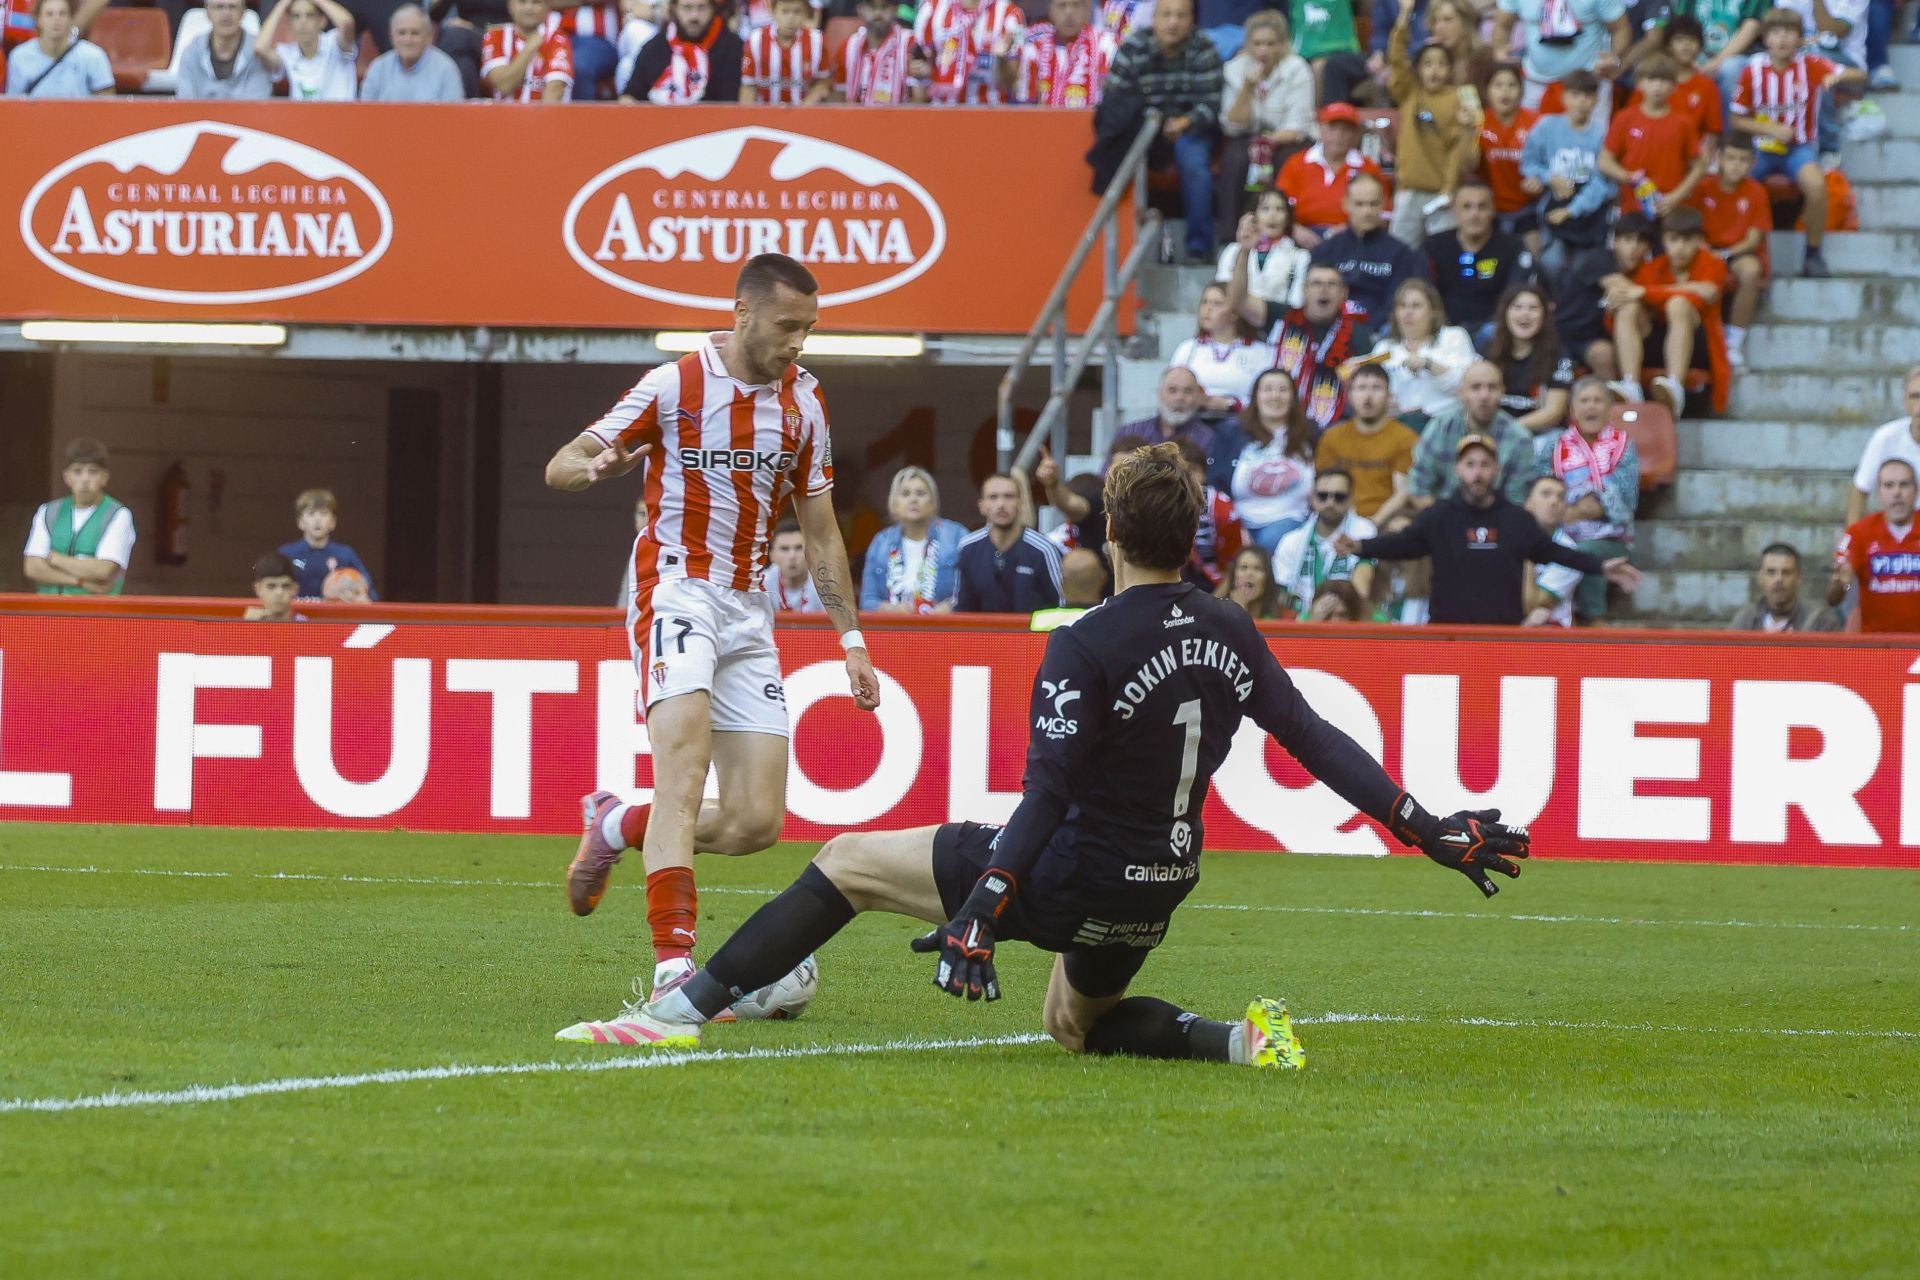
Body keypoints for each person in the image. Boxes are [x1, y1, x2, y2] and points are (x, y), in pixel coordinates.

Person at [557, 442, 1533, 1055]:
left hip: (1066, 871)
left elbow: (1049, 792)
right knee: (1076, 1022)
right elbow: (1315, 739)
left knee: (845, 860)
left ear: (1107, 529)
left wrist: (987, 902)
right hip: (1159, 882)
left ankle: (677, 1010)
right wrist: (1425, 826)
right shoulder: (1231, 625)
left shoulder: (1086, 640)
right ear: (1191, 535)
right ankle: (1238, 1040)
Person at [545, 253, 881, 1015]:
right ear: (743, 314)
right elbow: (560, 466)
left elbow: (822, 535)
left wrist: (851, 641)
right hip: (675, 591)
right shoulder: (674, 385)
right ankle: (674, 969)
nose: (800, 342)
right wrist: (595, 468)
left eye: (811, 328)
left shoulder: (805, 406)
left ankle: (615, 822)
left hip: (748, 609)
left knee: (758, 821)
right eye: (789, 326)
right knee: (684, 773)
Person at [1342, 434, 1640, 623]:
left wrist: (1600, 566)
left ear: (1496, 470)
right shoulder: (1439, 517)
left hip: (1503, 636)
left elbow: (1556, 552)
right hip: (1449, 635)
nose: (1477, 473)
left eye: (1485, 464)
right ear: (1458, 469)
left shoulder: (1515, 519)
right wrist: (1362, 547)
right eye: (1470, 464)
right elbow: (1402, 543)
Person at [1731, 8, 1864, 279]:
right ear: (1766, 38)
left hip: (1799, 149)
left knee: (1816, 186)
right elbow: (1736, 120)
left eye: (1790, 33)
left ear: (1800, 39)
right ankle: (1734, 247)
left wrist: (1838, 76)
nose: (1782, 39)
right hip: (1760, 149)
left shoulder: (1811, 65)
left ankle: (1813, 254)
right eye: (1776, 32)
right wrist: (1768, 128)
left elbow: (1859, 74)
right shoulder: (1752, 70)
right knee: (1734, 180)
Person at [1099, 0, 1223, 264]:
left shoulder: (1204, 48)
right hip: (1142, 129)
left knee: (1194, 163)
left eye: (1181, 15)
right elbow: (1115, 100)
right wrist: (1146, 123)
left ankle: (1199, 248)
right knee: (1117, 157)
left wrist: (1184, 122)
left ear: (1192, 20)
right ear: (1154, 18)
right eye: (1166, 15)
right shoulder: (1133, 48)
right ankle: (1124, 247)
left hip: (1192, 130)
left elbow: (1212, 105)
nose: (1173, 22)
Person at [1608, 204, 1730, 416]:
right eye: (1674, 239)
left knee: (1678, 304)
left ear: (1699, 241)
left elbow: (1707, 294)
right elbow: (1632, 297)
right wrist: (1626, 298)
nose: (1680, 247)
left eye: (1688, 240)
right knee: (1629, 305)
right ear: (1663, 241)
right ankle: (1630, 385)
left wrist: (1646, 292)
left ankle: (1675, 386)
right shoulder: (1652, 268)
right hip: (1656, 343)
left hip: (1699, 347)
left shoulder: (1714, 264)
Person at [1536, 376, 1639, 620]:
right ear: (1572, 409)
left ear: (1610, 409)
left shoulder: (1623, 445)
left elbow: (1626, 502)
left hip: (1612, 538)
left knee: (1585, 551)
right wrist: (1589, 500)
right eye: (1584, 401)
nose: (1591, 406)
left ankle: (1595, 620)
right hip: (1558, 532)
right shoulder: (1554, 444)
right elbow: (1539, 490)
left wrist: (1574, 507)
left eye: (1597, 400)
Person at [1233, 264, 1376, 433]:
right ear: (1304, 290)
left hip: (1333, 424)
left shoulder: (1357, 333)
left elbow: (1367, 384)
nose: (1323, 289)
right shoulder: (1282, 316)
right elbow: (1238, 301)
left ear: (1343, 293)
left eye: (1331, 284)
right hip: (1279, 418)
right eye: (1316, 283)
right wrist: (1245, 251)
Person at [1384, 0, 1480, 247]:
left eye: (1441, 64)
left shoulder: (1457, 99)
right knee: (1401, 252)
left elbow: (1457, 149)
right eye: (1427, 64)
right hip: (1408, 190)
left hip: (1441, 195)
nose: (1434, 70)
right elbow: (1396, 57)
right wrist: (1404, 17)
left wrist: (1449, 189)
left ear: (1450, 69)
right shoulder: (1409, 93)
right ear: (1417, 69)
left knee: (1443, 253)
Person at [1214, 10, 1314, 243]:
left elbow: (1297, 126)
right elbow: (1232, 124)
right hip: (1249, 136)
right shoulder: (1234, 69)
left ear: (1282, 45)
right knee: (1235, 159)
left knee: (1283, 161)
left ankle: (1285, 235)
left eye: (1270, 44)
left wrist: (1267, 143)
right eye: (1257, 44)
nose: (1263, 51)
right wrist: (1247, 88)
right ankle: (1230, 238)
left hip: (1289, 138)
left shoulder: (1297, 69)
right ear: (1247, 45)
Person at [1206, 367, 1317, 551]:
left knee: (1268, 543)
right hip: (1237, 521)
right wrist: (1235, 527)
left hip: (1291, 518)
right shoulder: (1230, 433)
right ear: (1255, 397)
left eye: (1283, 390)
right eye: (1267, 389)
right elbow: (1215, 484)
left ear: (1293, 398)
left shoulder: (1311, 433)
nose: (1275, 396)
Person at [1519, 69, 1616, 277]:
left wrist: (1572, 210)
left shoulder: (1602, 135)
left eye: (1588, 96)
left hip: (1589, 210)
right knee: (1550, 262)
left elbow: (1602, 183)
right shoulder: (1547, 126)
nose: (1581, 102)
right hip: (1554, 202)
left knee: (1583, 267)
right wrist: (1549, 178)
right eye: (1575, 95)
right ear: (1564, 97)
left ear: (1596, 100)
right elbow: (1528, 163)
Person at [1406, 360, 1541, 507]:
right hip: (1442, 518)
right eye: (1475, 387)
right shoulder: (1440, 428)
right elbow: (1419, 489)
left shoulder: (1520, 439)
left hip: (1497, 522)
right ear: (1462, 392)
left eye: (1492, 387)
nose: (1484, 395)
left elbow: (1517, 501)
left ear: (1502, 392)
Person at [1690, 131, 1772, 369]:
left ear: (1753, 163)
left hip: (1737, 252)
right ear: (1719, 159)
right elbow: (1692, 229)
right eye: (1731, 158)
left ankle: (1734, 341)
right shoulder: (1703, 187)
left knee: (1750, 270)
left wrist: (1724, 254)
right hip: (1703, 249)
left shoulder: (1757, 192)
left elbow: (1753, 238)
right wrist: (1706, 251)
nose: (1736, 166)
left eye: (1743, 160)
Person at [1308, 173, 1431, 328]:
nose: (1367, 212)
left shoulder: (1401, 253)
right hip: (1329, 330)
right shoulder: (1325, 250)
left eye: (1373, 204)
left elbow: (1398, 303)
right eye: (1359, 204)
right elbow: (1312, 297)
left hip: (1381, 333)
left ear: (1384, 204)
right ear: (1346, 204)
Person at [1598, 54, 1709, 224]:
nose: (1657, 86)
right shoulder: (1625, 118)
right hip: (1632, 207)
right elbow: (1604, 160)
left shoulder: (1683, 122)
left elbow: (1699, 166)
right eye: (1651, 80)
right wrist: (1627, 176)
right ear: (1639, 83)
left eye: (1664, 81)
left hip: (1669, 207)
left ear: (1674, 86)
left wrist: (1676, 196)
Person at [1423, 178, 1535, 339]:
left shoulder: (1512, 246)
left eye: (1482, 207)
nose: (1474, 214)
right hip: (1444, 331)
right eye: (1466, 207)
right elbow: (1424, 291)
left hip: (1495, 332)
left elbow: (1516, 294)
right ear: (1454, 210)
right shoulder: (1433, 245)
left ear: (1493, 210)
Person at [22, 437, 134, 596]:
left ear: (105, 477)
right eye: (77, 471)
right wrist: (79, 581)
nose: (85, 479)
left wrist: (55, 559)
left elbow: (102, 570)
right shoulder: (48, 511)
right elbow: (32, 567)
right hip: (49, 614)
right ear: (66, 477)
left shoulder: (118, 515)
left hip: (95, 615)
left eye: (93, 471)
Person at [1314, 362, 1420, 523]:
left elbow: (1403, 493)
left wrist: (1372, 524)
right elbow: (1324, 487)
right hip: (1340, 516)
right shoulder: (1332, 437)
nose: (1368, 396)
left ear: (1389, 396)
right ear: (1350, 395)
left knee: (1401, 526)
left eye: (1376, 388)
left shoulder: (1406, 438)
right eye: (1361, 388)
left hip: (1386, 519)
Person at [1551, 211, 1646, 382]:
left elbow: (1645, 327)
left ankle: (1627, 395)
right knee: (1604, 354)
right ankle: (1617, 402)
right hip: (1566, 335)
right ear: (1615, 242)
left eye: (1641, 242)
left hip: (1598, 337)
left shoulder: (1642, 273)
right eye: (1628, 240)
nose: (1634, 248)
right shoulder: (1599, 258)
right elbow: (1625, 290)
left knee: (1607, 350)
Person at [859, 466, 970, 611]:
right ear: (894, 504)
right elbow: (867, 601)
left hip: (944, 630)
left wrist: (951, 606)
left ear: (933, 502)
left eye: (921, 493)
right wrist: (891, 610)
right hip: (893, 631)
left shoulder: (956, 536)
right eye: (905, 494)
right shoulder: (881, 542)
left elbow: (974, 592)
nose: (913, 499)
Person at [1275, 102, 1387, 245]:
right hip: (1300, 237)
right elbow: (1278, 205)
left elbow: (1383, 214)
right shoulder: (1296, 163)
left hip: (1354, 237)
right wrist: (1294, 229)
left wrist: (1351, 229)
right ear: (1320, 129)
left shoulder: (1368, 167)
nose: (1338, 135)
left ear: (1355, 134)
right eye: (1333, 128)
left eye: (1345, 130)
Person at [1491, 0, 1631, 113]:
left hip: (1587, 84)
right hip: (1535, 82)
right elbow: (1503, 25)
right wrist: (1499, 50)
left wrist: (1613, 56)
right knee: (1531, 143)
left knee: (1589, 144)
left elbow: (1621, 28)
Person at [1830, 458, 1920, 634]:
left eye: (1904, 485)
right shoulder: (1859, 533)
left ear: (1916, 491)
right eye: (1889, 485)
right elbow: (1834, 599)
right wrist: (1843, 585)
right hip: (1876, 648)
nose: (1897, 493)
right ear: (1879, 492)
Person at [1372, 278, 1476, 428]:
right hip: (1399, 426)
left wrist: (1429, 364)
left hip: (1446, 423)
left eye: (1416, 306)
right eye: (1402, 306)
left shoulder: (1453, 337)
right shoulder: (1384, 348)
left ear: (1433, 312)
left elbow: (1465, 385)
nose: (1408, 312)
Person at [1272, 466, 1376, 613]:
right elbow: (1281, 593)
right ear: (1312, 498)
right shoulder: (1291, 540)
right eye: (1323, 496)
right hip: (1300, 621)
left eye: (1339, 497)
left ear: (1351, 499)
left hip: (1345, 619)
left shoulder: (1363, 531)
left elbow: (1361, 591)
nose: (1330, 503)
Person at [955, 475, 1066, 613]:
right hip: (983, 634)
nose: (1001, 504)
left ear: (1021, 503)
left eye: (1008, 496)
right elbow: (961, 609)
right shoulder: (968, 547)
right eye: (993, 497)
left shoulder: (1044, 549)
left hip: (1033, 634)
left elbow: (1061, 606)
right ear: (981, 506)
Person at [1169, 282, 1271, 416]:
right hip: (1193, 419)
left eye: (1217, 303)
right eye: (1204, 302)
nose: (1208, 309)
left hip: (1242, 422)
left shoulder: (1259, 352)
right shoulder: (1187, 348)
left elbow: (1269, 397)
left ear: (1235, 313)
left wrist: (1231, 405)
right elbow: (1171, 389)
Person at [1485, 283, 1575, 435]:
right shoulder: (1489, 349)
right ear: (1505, 313)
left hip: (1541, 435)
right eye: (1517, 307)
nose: (1525, 314)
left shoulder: (1558, 353)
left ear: (1544, 316)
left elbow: (1554, 412)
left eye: (1533, 308)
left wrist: (1508, 429)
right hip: (1495, 432)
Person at [1624, 16, 1724, 140]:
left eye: (1692, 40)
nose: (1686, 45)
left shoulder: (1707, 86)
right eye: (1679, 40)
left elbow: (1712, 131)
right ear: (1668, 45)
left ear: (1700, 46)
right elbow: (1630, 119)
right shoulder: (1651, 80)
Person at [621, 0, 743, 101]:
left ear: (713, 9)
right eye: (687, 8)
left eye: (702, 8)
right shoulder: (656, 47)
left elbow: (731, 105)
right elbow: (630, 96)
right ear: (674, 9)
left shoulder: (732, 48)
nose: (694, 16)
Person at [1471, 65, 1538, 246]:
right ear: (1486, 91)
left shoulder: (1535, 123)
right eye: (1498, 85)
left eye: (1511, 85)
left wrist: (1541, 178)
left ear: (1522, 91)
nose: (1505, 91)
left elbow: (1549, 162)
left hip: (1529, 208)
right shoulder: (1477, 123)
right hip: (1489, 210)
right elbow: (1468, 166)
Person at [1845, 365, 1920, 525]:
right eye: (1915, 396)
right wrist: (1853, 543)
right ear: (1905, 401)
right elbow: (1860, 490)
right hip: (1895, 537)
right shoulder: (1886, 438)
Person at [913, 0, 1024, 104]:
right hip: (943, 110)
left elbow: (1015, 82)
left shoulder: (1011, 14)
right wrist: (920, 71)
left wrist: (1003, 59)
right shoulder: (930, 9)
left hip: (990, 110)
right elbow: (918, 71)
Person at [279, 489, 377, 602]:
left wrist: (359, 597)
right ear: (300, 522)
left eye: (323, 513)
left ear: (333, 522)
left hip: (333, 616)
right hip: (296, 617)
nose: (317, 519)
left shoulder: (346, 554)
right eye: (311, 513)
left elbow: (369, 591)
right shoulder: (286, 554)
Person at [1015, 0, 1115, 107]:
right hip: (1045, 122)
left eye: (1076, 5)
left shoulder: (1105, 45)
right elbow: (1026, 103)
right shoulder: (1035, 50)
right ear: (1050, 11)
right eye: (1062, 6)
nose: (1069, 13)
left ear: (1086, 9)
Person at [1218, 196, 1311, 311]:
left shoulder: (1300, 256)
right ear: (1253, 216)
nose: (1272, 215)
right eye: (1265, 208)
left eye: (1280, 209)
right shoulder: (1232, 251)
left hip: (1279, 322)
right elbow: (1222, 291)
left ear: (1287, 218)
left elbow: (1297, 302)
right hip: (1237, 319)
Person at [1175, 437, 1243, 589]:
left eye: (1192, 471)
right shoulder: (1154, 505)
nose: (1185, 478)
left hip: (1213, 584)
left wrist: (1214, 601)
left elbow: (1233, 562)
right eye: (1178, 470)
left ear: (1204, 475)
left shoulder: (1222, 508)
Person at [255, 0, 358, 99]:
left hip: (341, 115)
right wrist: (282, 4)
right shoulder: (287, 53)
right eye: (296, 16)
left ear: (322, 21)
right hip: (301, 116)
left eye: (310, 15)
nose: (302, 22)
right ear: (289, 22)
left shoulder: (335, 43)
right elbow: (260, 48)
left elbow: (346, 22)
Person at [361, 4, 467, 100]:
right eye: (402, 33)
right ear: (391, 37)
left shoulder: (446, 69)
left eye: (415, 33)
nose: (408, 40)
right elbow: (365, 115)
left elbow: (452, 118)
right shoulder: (378, 68)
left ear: (429, 37)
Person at [6, 0, 111, 96]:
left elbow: (108, 108)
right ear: (38, 19)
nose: (56, 19)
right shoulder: (19, 57)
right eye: (49, 14)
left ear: (71, 18)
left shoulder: (94, 56)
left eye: (62, 14)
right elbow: (14, 105)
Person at [1112, 366, 1218, 461]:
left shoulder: (1208, 438)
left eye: (1187, 391)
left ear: (1198, 397)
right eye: (1172, 390)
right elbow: (1106, 476)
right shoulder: (1130, 432)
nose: (1179, 398)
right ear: (1159, 393)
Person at [1728, 543, 1842, 631]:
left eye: (1786, 572)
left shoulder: (1820, 622)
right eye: (1771, 572)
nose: (1779, 579)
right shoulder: (1745, 620)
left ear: (1799, 577)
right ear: (1760, 577)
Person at [833, 0, 929, 103]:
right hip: (856, 117)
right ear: (860, 10)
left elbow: (919, 100)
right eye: (871, 7)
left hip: (899, 117)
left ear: (895, 10)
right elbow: (839, 97)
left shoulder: (909, 44)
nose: (878, 13)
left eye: (885, 7)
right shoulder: (848, 47)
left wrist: (920, 79)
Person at [176, 0, 276, 98]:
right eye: (219, 7)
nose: (226, 13)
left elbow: (257, 107)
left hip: (246, 114)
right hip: (200, 115)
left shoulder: (257, 54)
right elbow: (185, 104)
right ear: (207, 11)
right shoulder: (192, 53)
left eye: (232, 7)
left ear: (243, 12)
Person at [1520, 473, 1581, 626]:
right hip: (1506, 625)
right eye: (1545, 494)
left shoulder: (1569, 551)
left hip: (1550, 634)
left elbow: (1532, 605)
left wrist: (1527, 555)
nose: (1554, 501)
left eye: (1561, 497)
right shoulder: (1507, 538)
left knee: (1537, 616)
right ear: (1528, 503)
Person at [740, 0, 830, 102]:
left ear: (806, 14)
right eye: (785, 12)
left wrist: (805, 107)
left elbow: (824, 81)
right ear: (773, 12)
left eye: (797, 12)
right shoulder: (755, 40)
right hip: (765, 112)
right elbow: (748, 85)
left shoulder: (816, 41)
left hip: (803, 112)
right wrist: (747, 117)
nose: (790, 18)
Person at [485, 0, 573, 100]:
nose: (529, 8)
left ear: (547, 7)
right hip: (504, 114)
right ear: (510, 6)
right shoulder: (495, 36)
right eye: (522, 2)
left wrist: (538, 116)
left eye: (536, 2)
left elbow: (554, 91)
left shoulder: (558, 39)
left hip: (544, 114)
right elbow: (504, 86)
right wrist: (530, 47)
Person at [765, 518, 826, 613]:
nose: (792, 556)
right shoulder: (762, 584)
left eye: (798, 548)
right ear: (771, 555)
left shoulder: (824, 585)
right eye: (784, 549)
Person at [1215, 542, 1289, 618]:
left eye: (1258, 568)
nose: (1249, 573)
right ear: (1233, 576)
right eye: (1244, 567)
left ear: (1267, 577)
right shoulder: (1216, 613)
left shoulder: (1282, 612)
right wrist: (1237, 610)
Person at [244, 553, 304, 623]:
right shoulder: (244, 626)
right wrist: (248, 625)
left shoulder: (307, 627)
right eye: (271, 586)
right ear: (258, 589)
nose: (279, 593)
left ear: (295, 589)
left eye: (285, 586)